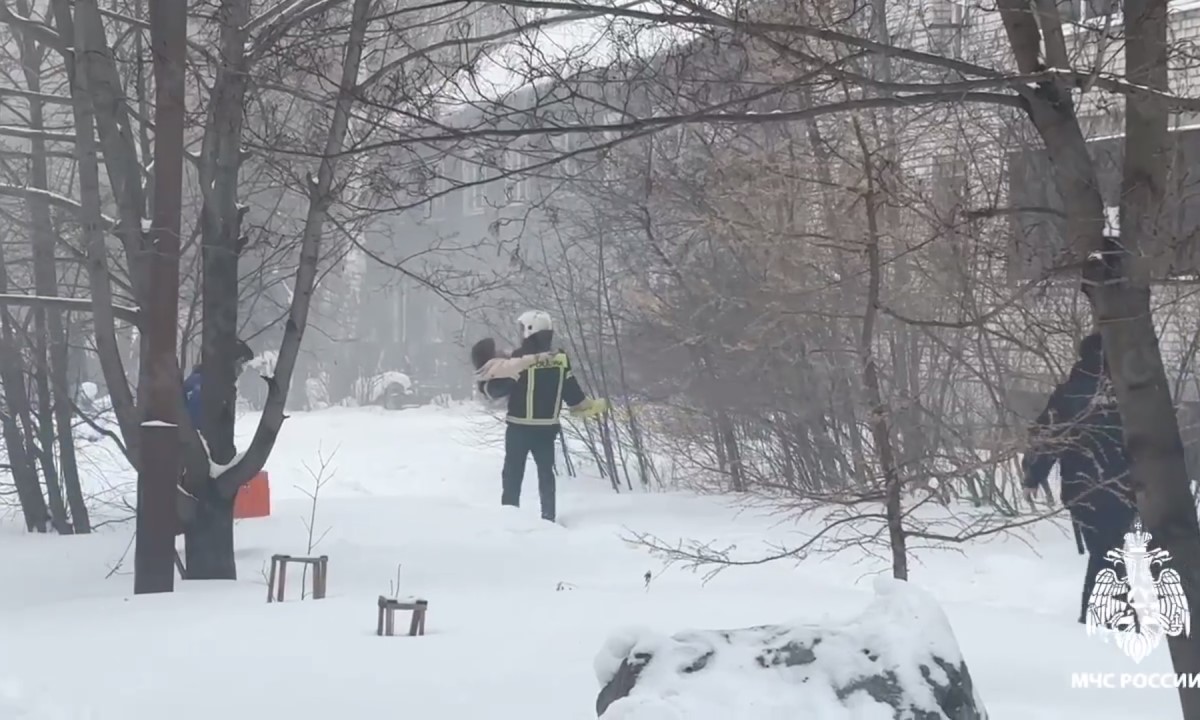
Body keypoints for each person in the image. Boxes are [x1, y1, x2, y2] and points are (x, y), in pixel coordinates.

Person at [1021, 331, 1136, 624]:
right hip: (1123, 488)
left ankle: (1106, 617)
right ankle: (1107, 618)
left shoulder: (1069, 393)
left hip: (1081, 489)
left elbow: (1048, 436)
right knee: (1110, 551)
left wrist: (1033, 474)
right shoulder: (1127, 391)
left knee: (1105, 551)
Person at [472, 310, 607, 522]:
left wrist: (485, 386)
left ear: (529, 330)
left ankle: (509, 516)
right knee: (546, 474)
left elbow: (497, 391)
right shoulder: (559, 359)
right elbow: (572, 393)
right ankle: (548, 517)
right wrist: (588, 405)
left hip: (519, 428)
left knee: (513, 473)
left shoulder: (520, 360)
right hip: (547, 428)